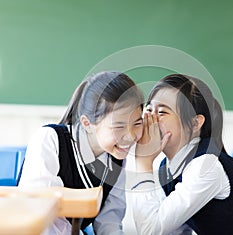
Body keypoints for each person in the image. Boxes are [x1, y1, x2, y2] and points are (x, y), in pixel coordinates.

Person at [131, 74, 233, 235]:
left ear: (195, 123)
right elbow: (169, 228)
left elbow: (150, 230)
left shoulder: (204, 166)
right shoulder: (166, 168)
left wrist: (142, 162)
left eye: (162, 112)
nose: (149, 118)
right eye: (149, 109)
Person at [19, 71, 144, 235]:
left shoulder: (117, 159)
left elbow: (109, 221)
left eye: (137, 123)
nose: (130, 136)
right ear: (87, 123)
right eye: (119, 126)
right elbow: (40, 210)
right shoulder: (50, 139)